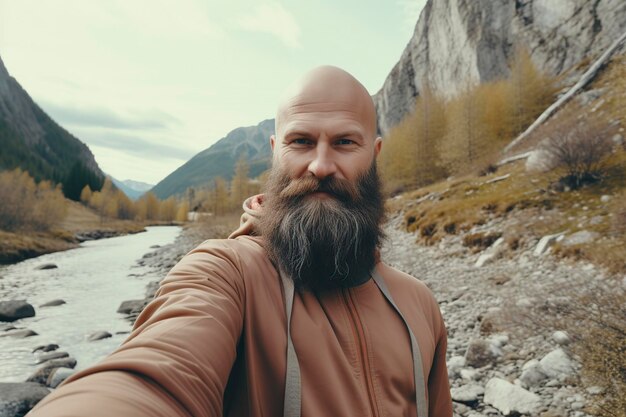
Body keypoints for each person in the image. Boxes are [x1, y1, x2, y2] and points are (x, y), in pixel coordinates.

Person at [28, 66, 452, 417]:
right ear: (274, 152)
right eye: (301, 141)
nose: (321, 165)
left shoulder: (419, 306)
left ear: (374, 153)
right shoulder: (225, 271)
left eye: (344, 142)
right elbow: (153, 374)